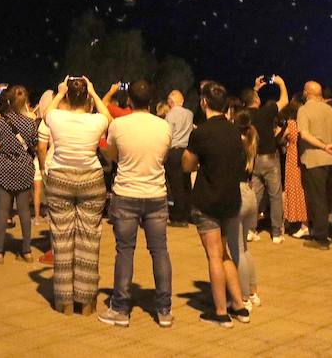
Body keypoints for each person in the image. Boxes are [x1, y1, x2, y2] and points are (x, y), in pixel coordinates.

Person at [100, 79, 173, 327]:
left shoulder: (119, 125)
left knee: (125, 251)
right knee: (159, 251)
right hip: (155, 193)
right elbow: (163, 156)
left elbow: (111, 156)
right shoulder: (163, 127)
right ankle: (163, 308)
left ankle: (120, 308)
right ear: (152, 101)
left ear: (129, 100)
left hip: (127, 192)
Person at [39, 76, 111, 315]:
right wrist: (94, 91)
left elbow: (45, 112)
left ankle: (65, 302)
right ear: (88, 97)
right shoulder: (96, 121)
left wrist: (59, 92)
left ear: (67, 95)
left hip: (60, 179)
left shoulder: (56, 117)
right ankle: (87, 302)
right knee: (89, 240)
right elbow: (109, 118)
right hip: (91, 179)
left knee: (61, 239)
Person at [181, 80, 251, 327]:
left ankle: (221, 312)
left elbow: (187, 165)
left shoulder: (200, 133)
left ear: (204, 103)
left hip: (208, 200)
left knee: (213, 256)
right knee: (224, 253)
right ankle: (240, 307)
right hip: (230, 200)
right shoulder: (234, 131)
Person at [0, 84, 38, 262]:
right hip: (23, 168)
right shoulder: (30, 123)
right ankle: (27, 250)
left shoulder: (0, 122)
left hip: (3, 168)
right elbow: (34, 144)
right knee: (23, 211)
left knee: (2, 211)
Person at [296, 80, 332, 248]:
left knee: (318, 199)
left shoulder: (303, 110)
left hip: (315, 160)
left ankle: (321, 238)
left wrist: (324, 146)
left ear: (306, 93)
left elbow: (304, 134)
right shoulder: (331, 110)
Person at [245, 74, 288, 243]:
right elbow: (284, 100)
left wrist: (255, 89)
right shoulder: (267, 111)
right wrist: (281, 83)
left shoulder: (244, 116)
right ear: (257, 100)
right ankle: (276, 233)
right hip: (270, 159)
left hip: (254, 159)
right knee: (275, 195)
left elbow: (248, 100)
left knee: (255, 195)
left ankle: (250, 229)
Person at [232, 108, 261, 308]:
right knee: (245, 248)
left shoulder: (237, 145)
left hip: (239, 194)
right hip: (250, 194)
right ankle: (252, 292)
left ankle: (242, 297)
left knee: (238, 251)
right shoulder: (251, 142)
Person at [163, 88, 195, 226]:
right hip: (186, 151)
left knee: (176, 186)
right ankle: (187, 213)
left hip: (174, 151)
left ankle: (178, 217)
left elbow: (167, 133)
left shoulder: (170, 115)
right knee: (186, 183)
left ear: (170, 102)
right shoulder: (189, 114)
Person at [280, 99, 308, 238]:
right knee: (302, 189)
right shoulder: (304, 123)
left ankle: (299, 222)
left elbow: (280, 138)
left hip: (292, 158)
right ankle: (304, 223)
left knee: (293, 188)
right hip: (304, 156)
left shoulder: (290, 124)